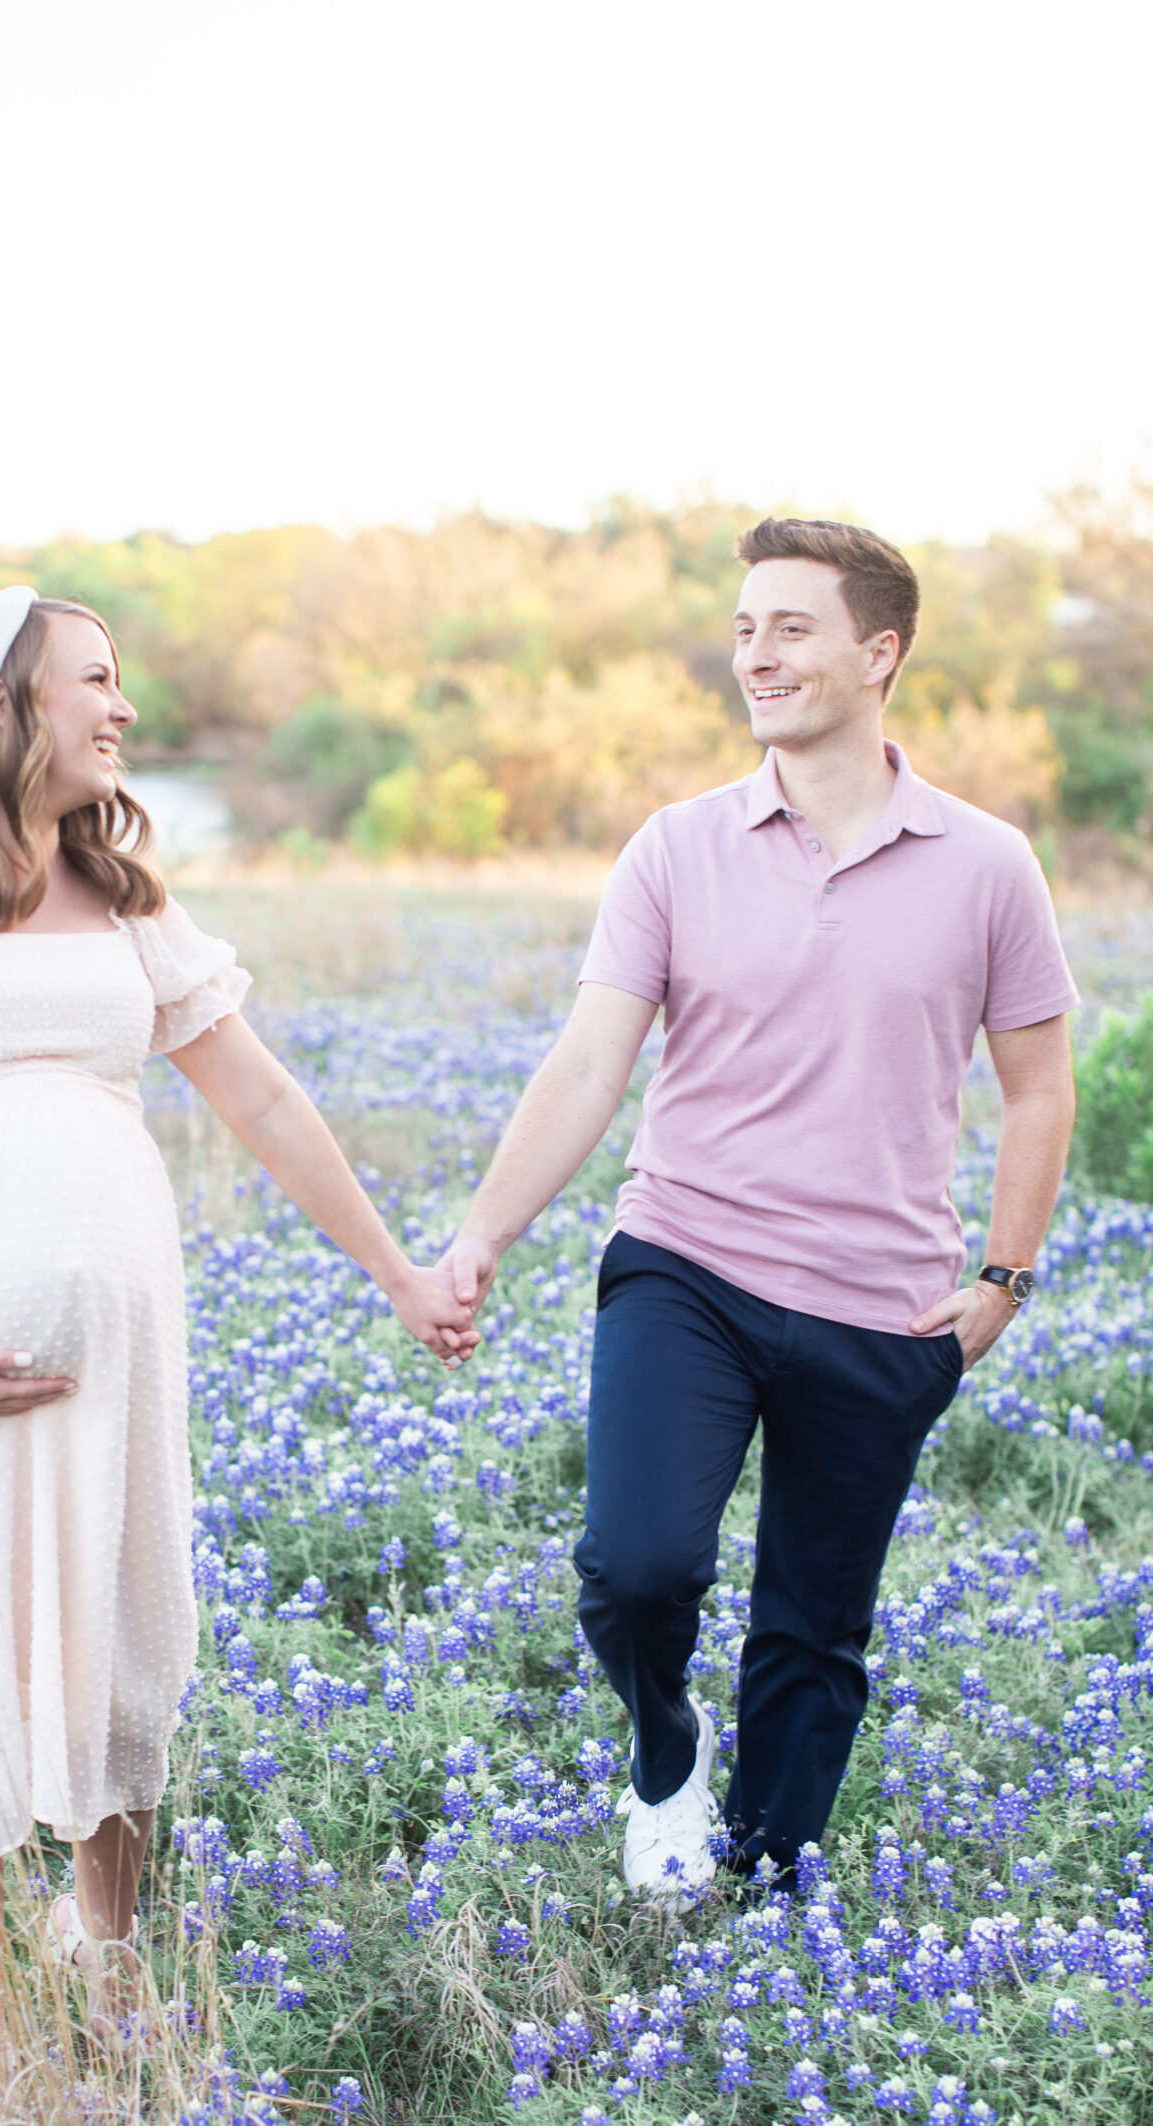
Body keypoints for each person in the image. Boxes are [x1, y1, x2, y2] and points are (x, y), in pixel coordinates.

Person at [0, 587, 476, 2086]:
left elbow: (259, 1098)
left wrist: (396, 1268)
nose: (122, 710)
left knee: (115, 1637)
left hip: (108, 1368)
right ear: (3, 703)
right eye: (97, 681)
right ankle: (0, 2055)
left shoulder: (128, 898)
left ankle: (109, 1953)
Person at [446, 518, 1078, 1898]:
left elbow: (1040, 1087)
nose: (756, 654)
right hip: (690, 1263)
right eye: (744, 629)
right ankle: (662, 1757)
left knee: (813, 1629)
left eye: (789, 627)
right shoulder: (676, 850)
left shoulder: (988, 864)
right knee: (637, 1566)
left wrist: (1005, 1281)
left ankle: (765, 1883)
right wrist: (481, 1235)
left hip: (885, 1302)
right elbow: (589, 1063)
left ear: (880, 652)